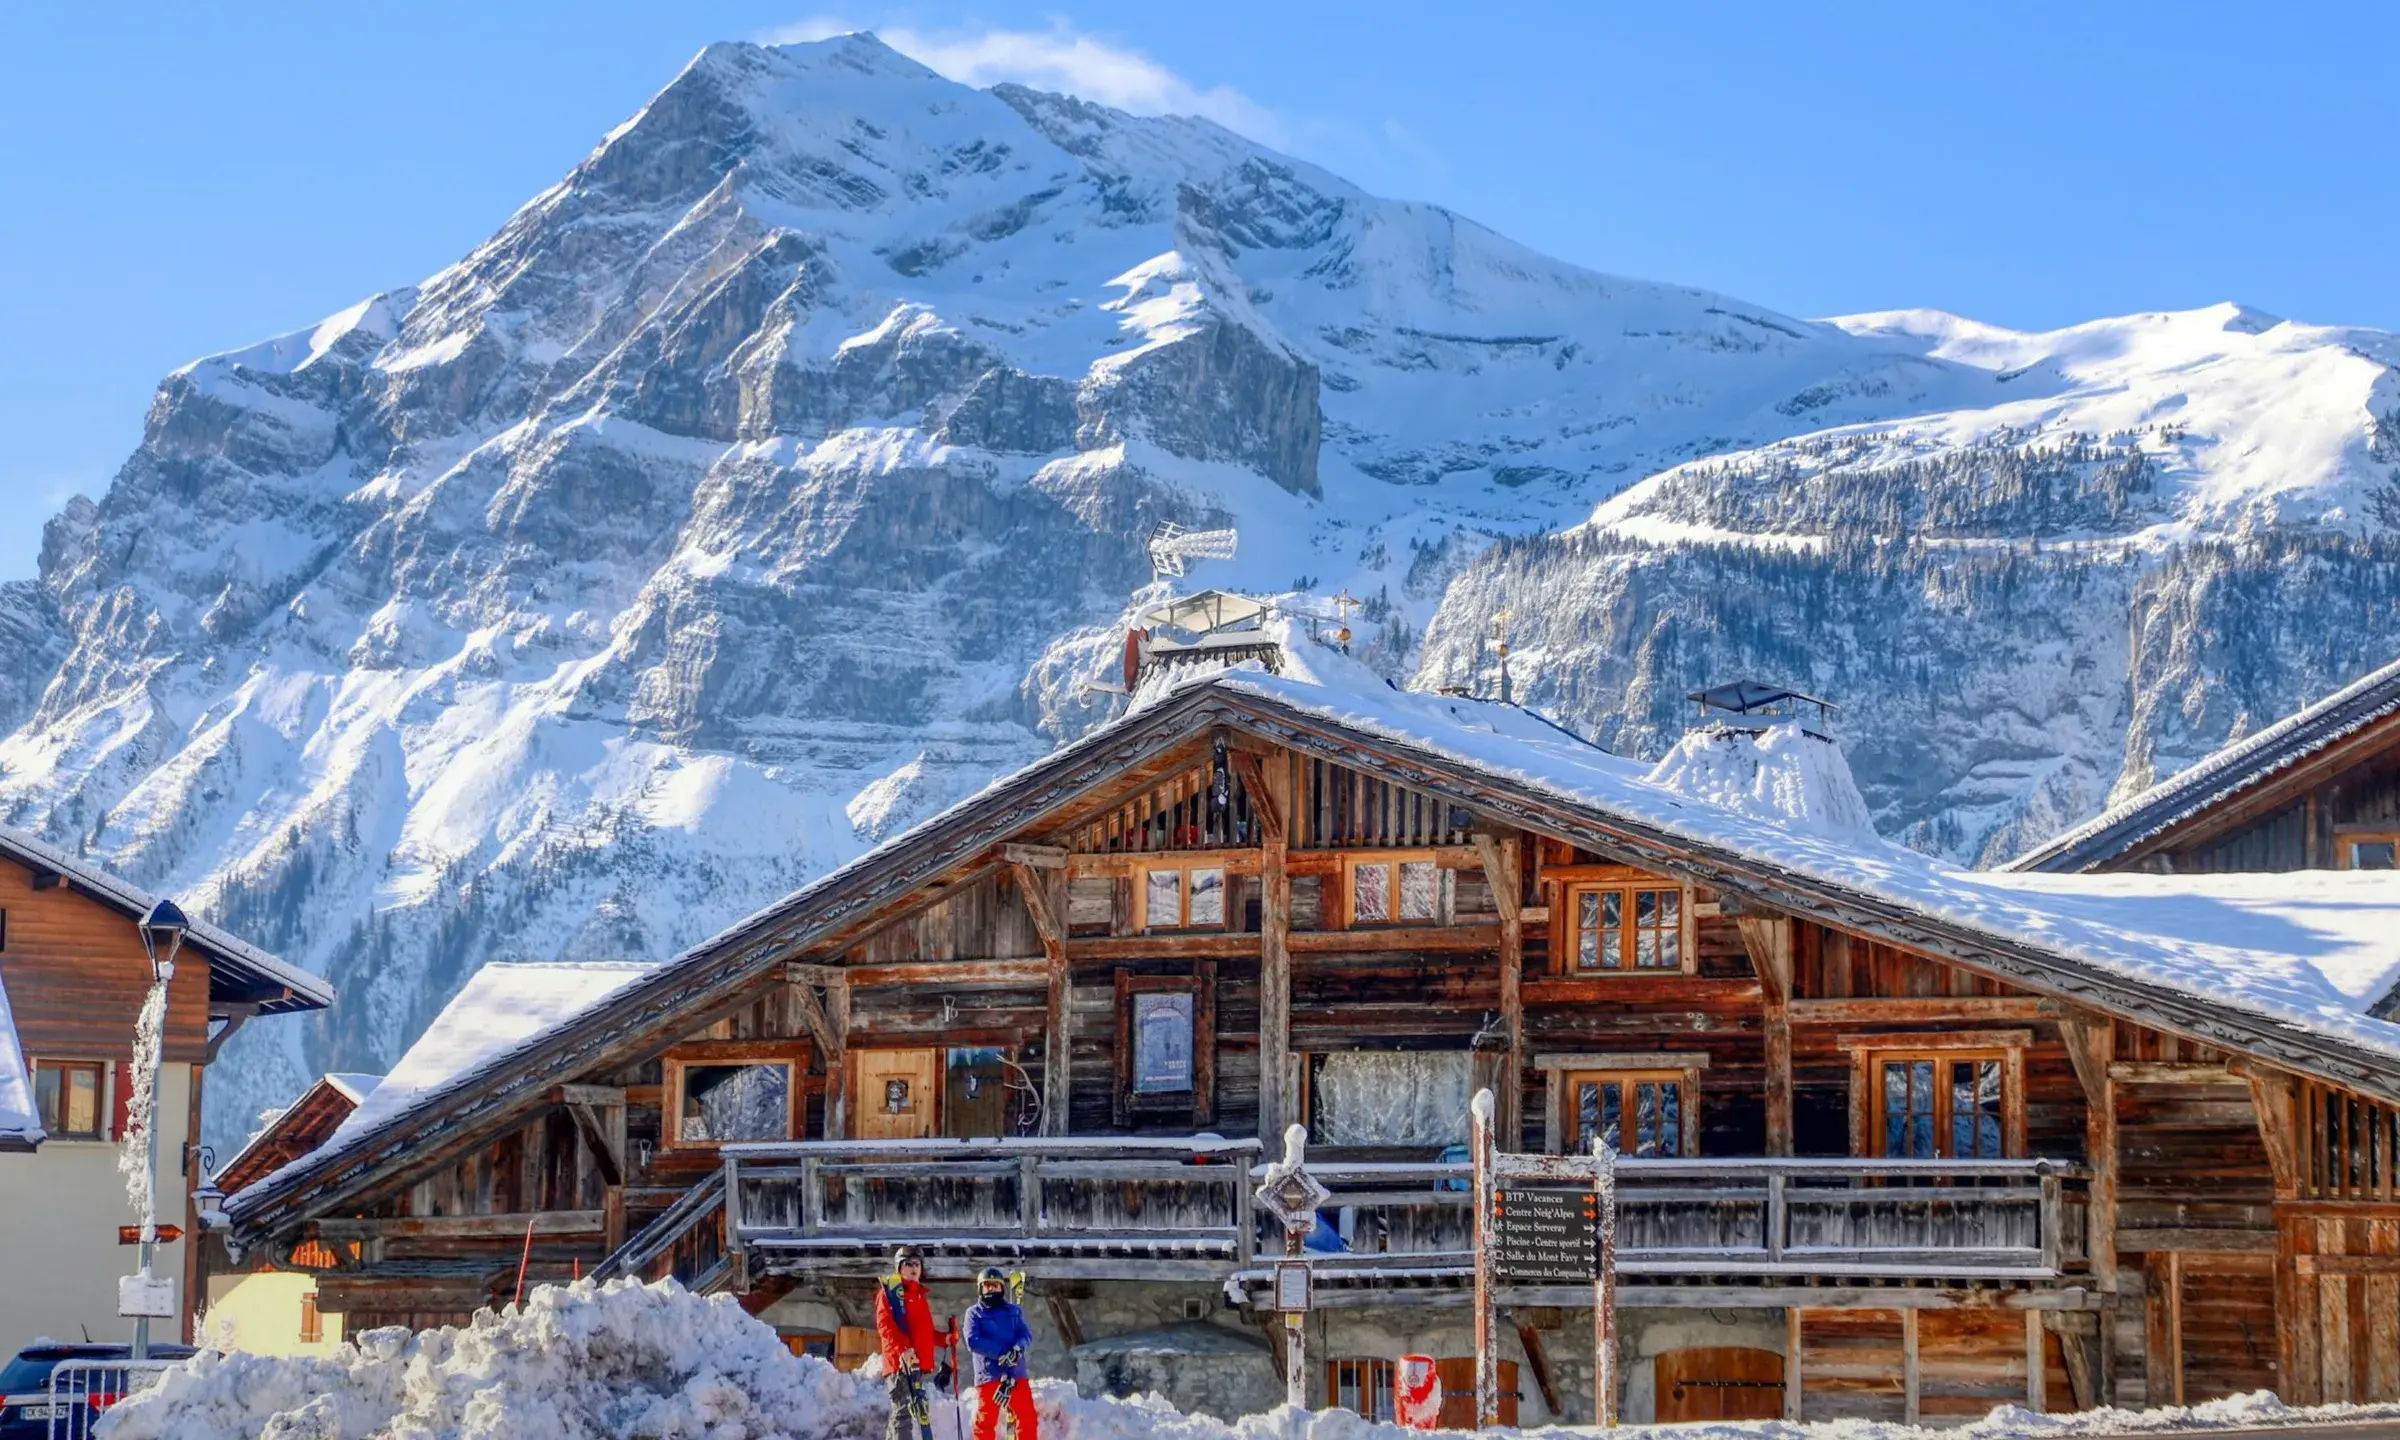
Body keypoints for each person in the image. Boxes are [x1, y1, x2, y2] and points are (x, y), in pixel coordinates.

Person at [875, 1246, 956, 1440]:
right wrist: (903, 1350)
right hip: (900, 1363)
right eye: (908, 1264)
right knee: (903, 1411)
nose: (914, 1268)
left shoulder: (919, 1296)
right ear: (899, 1268)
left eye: (917, 1264)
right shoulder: (890, 1293)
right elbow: (885, 1326)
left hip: (916, 1364)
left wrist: (942, 1339)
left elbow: (924, 1333)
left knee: (906, 1412)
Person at [963, 1267, 1037, 1440]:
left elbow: (1025, 1334)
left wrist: (1017, 1349)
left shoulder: (1013, 1311)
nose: (991, 1289)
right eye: (987, 1285)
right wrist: (1002, 1352)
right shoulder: (974, 1313)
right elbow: (973, 1341)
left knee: (1027, 1418)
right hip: (989, 1374)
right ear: (980, 1289)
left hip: (1015, 1373)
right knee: (986, 1421)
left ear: (1001, 1288)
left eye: (995, 1285)